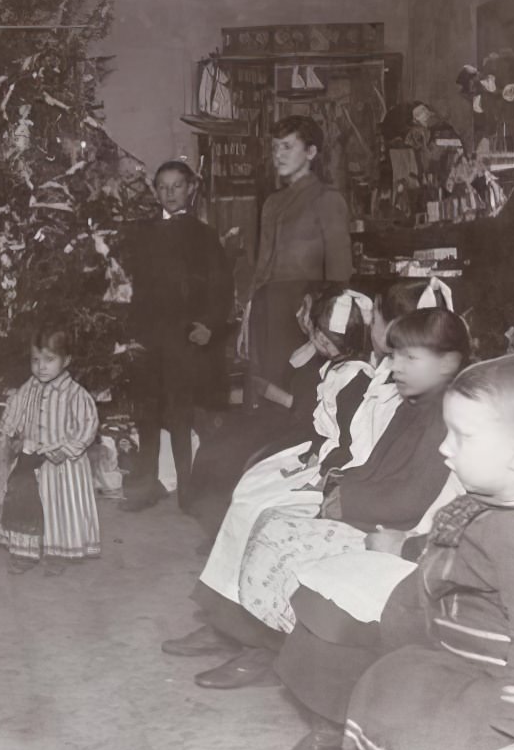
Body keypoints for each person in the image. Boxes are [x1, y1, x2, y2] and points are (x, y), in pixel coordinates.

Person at [163, 280, 440, 682]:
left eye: (377, 317)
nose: (372, 326)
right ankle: (225, 619)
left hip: (360, 492)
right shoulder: (384, 374)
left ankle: (255, 639)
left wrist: (335, 484)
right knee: (249, 496)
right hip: (348, 477)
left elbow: (380, 462)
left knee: (263, 510)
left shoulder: (398, 385)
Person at [328, 354, 514, 750]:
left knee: (417, 706)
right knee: (397, 681)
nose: (444, 448)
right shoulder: (498, 503)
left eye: (463, 436)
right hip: (475, 662)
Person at [209, 308, 468, 689]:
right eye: (394, 355)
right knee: (272, 521)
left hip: (404, 526)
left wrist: (347, 504)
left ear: (450, 362)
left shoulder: (445, 415)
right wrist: (339, 488)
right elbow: (376, 465)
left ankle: (270, 649)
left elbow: (412, 499)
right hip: (379, 509)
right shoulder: (415, 404)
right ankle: (265, 642)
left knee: (281, 537)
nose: (395, 365)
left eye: (410, 358)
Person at [115, 160, 232, 512]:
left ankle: (187, 491)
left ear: (190, 189)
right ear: (154, 191)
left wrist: (208, 325)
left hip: (184, 336)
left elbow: (221, 287)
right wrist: (129, 330)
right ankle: (147, 485)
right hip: (148, 334)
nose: (169, 193)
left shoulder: (204, 235)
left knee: (181, 416)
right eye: (162, 187)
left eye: (176, 186)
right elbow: (127, 284)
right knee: (146, 413)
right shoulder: (141, 233)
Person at [184, 287, 329, 533]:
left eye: (304, 309)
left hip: (299, 429)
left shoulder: (328, 361)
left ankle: (225, 527)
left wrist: (270, 391)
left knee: (232, 454)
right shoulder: (307, 350)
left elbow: (308, 411)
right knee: (217, 440)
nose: (298, 314)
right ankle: (212, 520)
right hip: (278, 417)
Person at [242, 115, 352, 407]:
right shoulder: (272, 203)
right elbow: (262, 264)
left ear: (311, 153)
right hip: (267, 307)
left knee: (296, 393)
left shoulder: (327, 199)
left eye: (288, 147)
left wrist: (319, 318)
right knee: (263, 388)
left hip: (303, 310)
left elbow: (340, 272)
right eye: (275, 147)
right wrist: (249, 309)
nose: (278, 155)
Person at [0, 322, 102, 576]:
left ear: (66, 361)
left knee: (59, 508)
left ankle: (58, 552)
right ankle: (24, 551)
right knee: (24, 502)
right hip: (31, 459)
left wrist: (69, 448)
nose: (41, 367)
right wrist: (9, 433)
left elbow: (88, 426)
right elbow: (14, 410)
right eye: (35, 360)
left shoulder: (76, 394)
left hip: (62, 466)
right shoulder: (28, 387)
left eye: (49, 359)